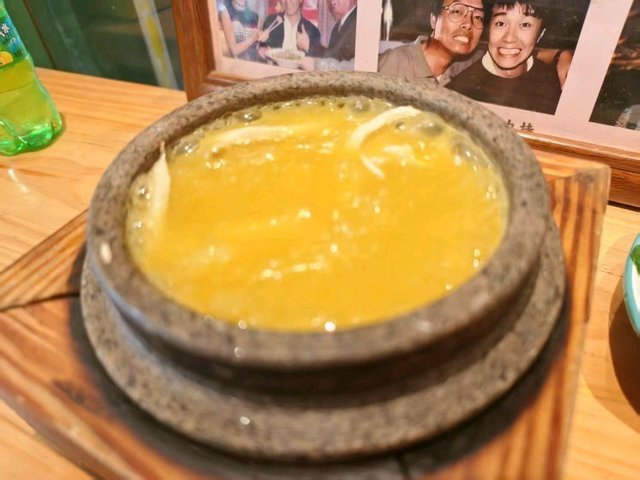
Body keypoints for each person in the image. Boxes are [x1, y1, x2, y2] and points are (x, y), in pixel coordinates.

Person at [447, 0, 562, 114]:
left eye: (525, 25)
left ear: (540, 34)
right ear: (488, 28)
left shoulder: (554, 80)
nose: (509, 38)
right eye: (500, 24)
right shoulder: (458, 92)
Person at [378, 0, 490, 85]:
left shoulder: (470, 63)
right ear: (434, 20)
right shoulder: (394, 64)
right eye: (457, 11)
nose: (469, 24)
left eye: (478, 17)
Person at [299, 0, 358, 70]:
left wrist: (309, 46)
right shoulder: (338, 25)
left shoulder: (358, 22)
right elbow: (332, 55)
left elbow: (337, 59)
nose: (332, 1)